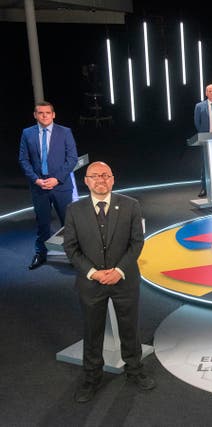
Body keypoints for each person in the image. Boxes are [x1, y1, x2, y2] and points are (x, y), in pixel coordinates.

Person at [63, 161, 155, 403]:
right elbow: (70, 248)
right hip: (91, 282)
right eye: (94, 176)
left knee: (130, 328)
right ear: (86, 181)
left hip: (124, 280)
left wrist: (120, 270)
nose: (100, 179)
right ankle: (91, 378)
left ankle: (134, 370)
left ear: (113, 179)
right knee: (92, 332)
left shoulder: (131, 206)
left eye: (105, 175)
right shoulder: (74, 209)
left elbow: (137, 242)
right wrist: (93, 272)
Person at [19, 101, 78, 270]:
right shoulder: (27, 133)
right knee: (42, 222)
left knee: (68, 223)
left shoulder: (65, 132)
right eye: (40, 113)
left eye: (47, 113)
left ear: (53, 115)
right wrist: (36, 180)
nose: (44, 115)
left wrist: (57, 179)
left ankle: (73, 254)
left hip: (61, 186)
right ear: (35, 115)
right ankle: (41, 253)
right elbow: (23, 160)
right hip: (39, 187)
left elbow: (72, 158)